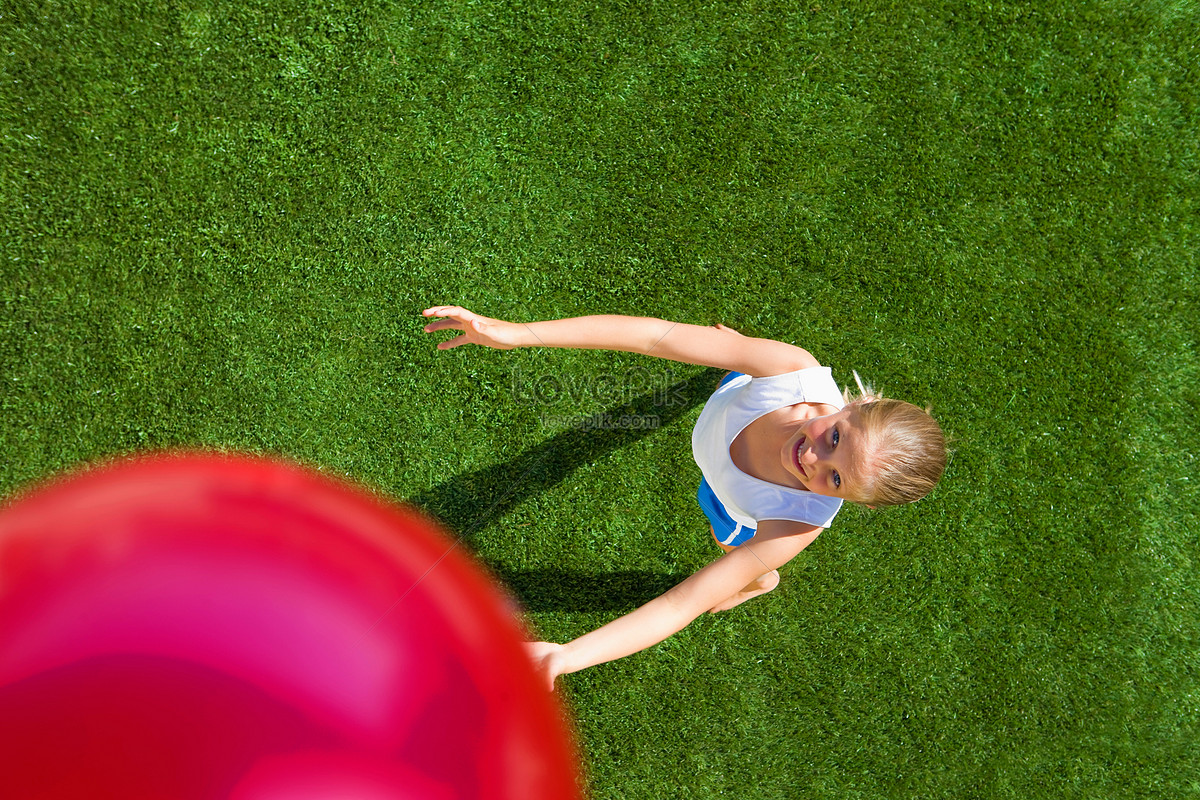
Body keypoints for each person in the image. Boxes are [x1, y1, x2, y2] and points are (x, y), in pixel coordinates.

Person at [422, 305, 947, 690]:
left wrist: (564, 656)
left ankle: (759, 577)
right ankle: (735, 352)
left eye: (834, 480)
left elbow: (682, 602)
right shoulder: (789, 371)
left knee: (735, 550)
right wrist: (519, 333)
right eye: (835, 439)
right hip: (735, 396)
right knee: (736, 358)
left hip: (731, 500)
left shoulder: (792, 522)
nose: (812, 460)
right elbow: (654, 337)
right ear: (854, 404)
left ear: (850, 502)